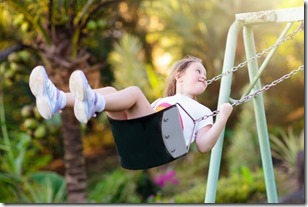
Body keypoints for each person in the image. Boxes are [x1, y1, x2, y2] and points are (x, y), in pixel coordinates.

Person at [29, 55, 233, 153]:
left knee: (134, 93)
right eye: (198, 71)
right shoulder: (163, 101)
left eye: (205, 74)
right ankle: (58, 99)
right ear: (178, 76)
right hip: (137, 139)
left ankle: (91, 102)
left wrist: (222, 117)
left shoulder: (204, 110)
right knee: (109, 91)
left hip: (162, 146)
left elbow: (204, 145)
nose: (204, 76)